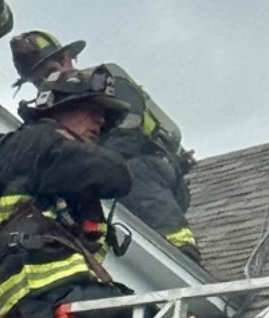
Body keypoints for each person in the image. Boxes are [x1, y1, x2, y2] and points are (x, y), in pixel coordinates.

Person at [0, 69, 167, 318]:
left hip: (35, 287)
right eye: (91, 108)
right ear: (58, 108)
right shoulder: (40, 139)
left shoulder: (31, 148)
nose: (100, 120)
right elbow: (114, 175)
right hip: (39, 280)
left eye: (105, 116)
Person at [10, 31, 201, 262]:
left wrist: (88, 166)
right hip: (107, 173)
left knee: (131, 171)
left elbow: (127, 137)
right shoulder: (56, 107)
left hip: (153, 167)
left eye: (49, 72)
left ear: (67, 59)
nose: (45, 83)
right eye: (37, 80)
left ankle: (179, 246)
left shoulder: (106, 82)